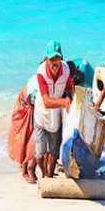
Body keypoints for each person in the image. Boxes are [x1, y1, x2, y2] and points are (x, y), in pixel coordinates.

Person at [33, 40, 73, 179]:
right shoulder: (41, 72)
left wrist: (71, 99)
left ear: (61, 58)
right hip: (41, 113)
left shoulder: (66, 69)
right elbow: (46, 102)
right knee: (40, 151)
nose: (54, 62)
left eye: (57, 58)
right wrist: (64, 102)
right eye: (52, 59)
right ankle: (43, 174)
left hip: (55, 115)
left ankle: (49, 177)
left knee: (54, 152)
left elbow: (69, 89)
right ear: (47, 59)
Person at [7, 75, 38, 183]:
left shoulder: (35, 79)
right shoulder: (41, 81)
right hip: (29, 108)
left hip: (26, 107)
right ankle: (29, 169)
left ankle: (26, 168)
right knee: (33, 139)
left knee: (27, 137)